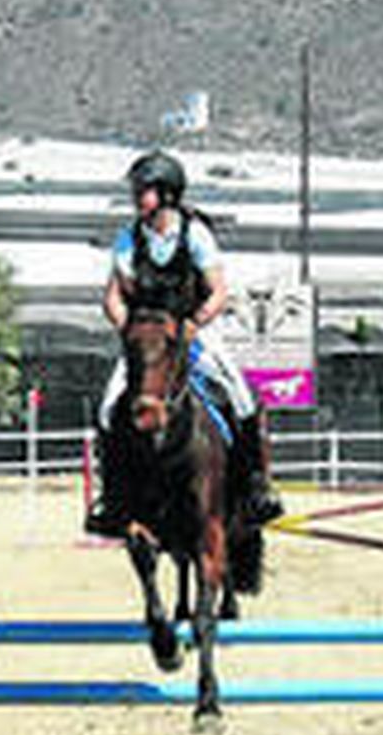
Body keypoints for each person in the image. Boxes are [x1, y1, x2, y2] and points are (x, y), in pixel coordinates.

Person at [84, 149, 282, 537]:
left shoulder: (195, 235)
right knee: (109, 407)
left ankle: (257, 487)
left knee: (241, 397)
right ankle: (113, 498)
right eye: (137, 190)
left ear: (168, 194)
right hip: (147, 340)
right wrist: (131, 329)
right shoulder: (128, 239)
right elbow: (113, 296)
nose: (137, 197)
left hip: (195, 331)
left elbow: (218, 291)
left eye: (144, 190)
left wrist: (194, 323)